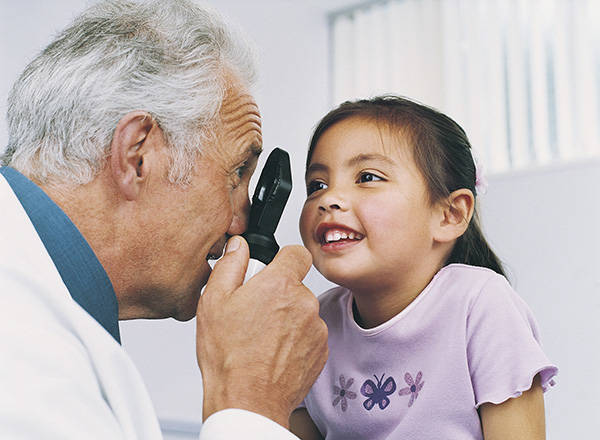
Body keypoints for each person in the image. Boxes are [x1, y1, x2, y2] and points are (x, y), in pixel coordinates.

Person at [0, 1, 327, 438]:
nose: (240, 223)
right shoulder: (22, 351)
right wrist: (250, 402)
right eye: (236, 174)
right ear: (137, 156)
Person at [289, 96, 558, 439]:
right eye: (317, 185)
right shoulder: (311, 324)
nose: (328, 199)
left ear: (450, 215)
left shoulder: (480, 305)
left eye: (368, 177)